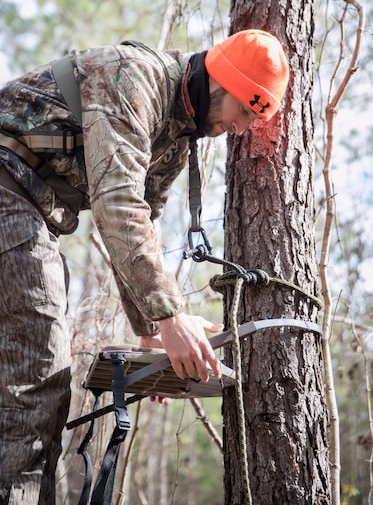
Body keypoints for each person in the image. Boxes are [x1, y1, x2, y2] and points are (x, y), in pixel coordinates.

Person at [0, 28, 289, 503]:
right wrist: (171, 316)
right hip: (11, 192)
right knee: (40, 375)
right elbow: (117, 206)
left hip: (29, 210)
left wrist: (151, 328)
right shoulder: (136, 77)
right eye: (244, 110)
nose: (241, 128)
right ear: (221, 81)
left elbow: (139, 225)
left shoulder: (176, 138)